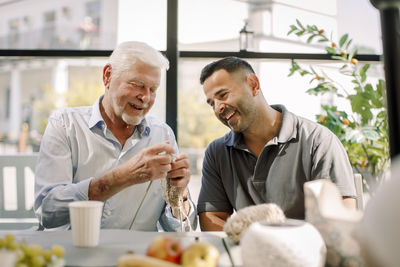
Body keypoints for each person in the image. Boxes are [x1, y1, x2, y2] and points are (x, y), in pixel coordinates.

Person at [34, 41, 197, 231]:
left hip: (137, 258)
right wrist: (121, 177)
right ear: (107, 76)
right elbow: (47, 211)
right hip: (75, 254)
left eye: (153, 90)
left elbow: (182, 230)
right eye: (137, 85)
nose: (145, 97)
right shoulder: (65, 124)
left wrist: (179, 193)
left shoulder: (163, 134)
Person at [197, 56, 356, 231]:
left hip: (309, 255)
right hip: (247, 252)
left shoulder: (318, 141)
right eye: (212, 103)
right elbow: (211, 217)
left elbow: (339, 220)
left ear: (253, 85)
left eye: (223, 95)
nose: (218, 108)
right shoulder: (217, 152)